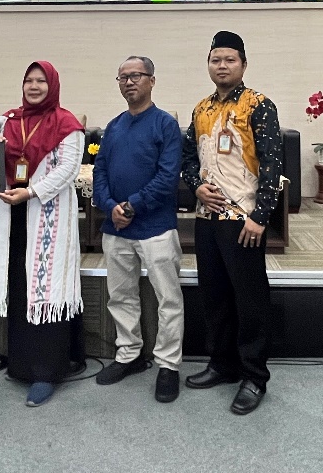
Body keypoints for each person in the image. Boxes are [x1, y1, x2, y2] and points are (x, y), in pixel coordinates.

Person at [181, 30, 282, 415]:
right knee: (215, 297)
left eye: (229, 60)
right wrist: (196, 188)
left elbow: (273, 165)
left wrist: (261, 217)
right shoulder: (201, 108)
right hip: (207, 219)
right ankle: (221, 364)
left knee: (250, 299)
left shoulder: (259, 105)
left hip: (243, 221)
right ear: (208, 64)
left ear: (243, 64)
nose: (222, 66)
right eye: (215, 60)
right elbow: (188, 159)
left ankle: (254, 377)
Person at [0, 61, 87, 407]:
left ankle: (47, 371)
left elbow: (68, 170)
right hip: (12, 215)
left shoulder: (66, 123)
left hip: (47, 215)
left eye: (41, 80)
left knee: (45, 287)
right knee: (18, 285)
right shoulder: (8, 120)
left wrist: (31, 192)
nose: (34, 86)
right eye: (28, 80)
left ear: (53, 85)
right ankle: (22, 365)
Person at [92, 56, 185, 402]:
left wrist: (132, 205)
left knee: (169, 300)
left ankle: (168, 365)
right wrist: (110, 206)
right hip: (116, 229)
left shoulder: (165, 125)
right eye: (123, 77)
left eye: (136, 76)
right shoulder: (113, 126)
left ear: (152, 81)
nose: (129, 82)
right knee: (121, 296)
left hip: (156, 227)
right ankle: (129, 354)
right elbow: (99, 170)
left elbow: (168, 176)